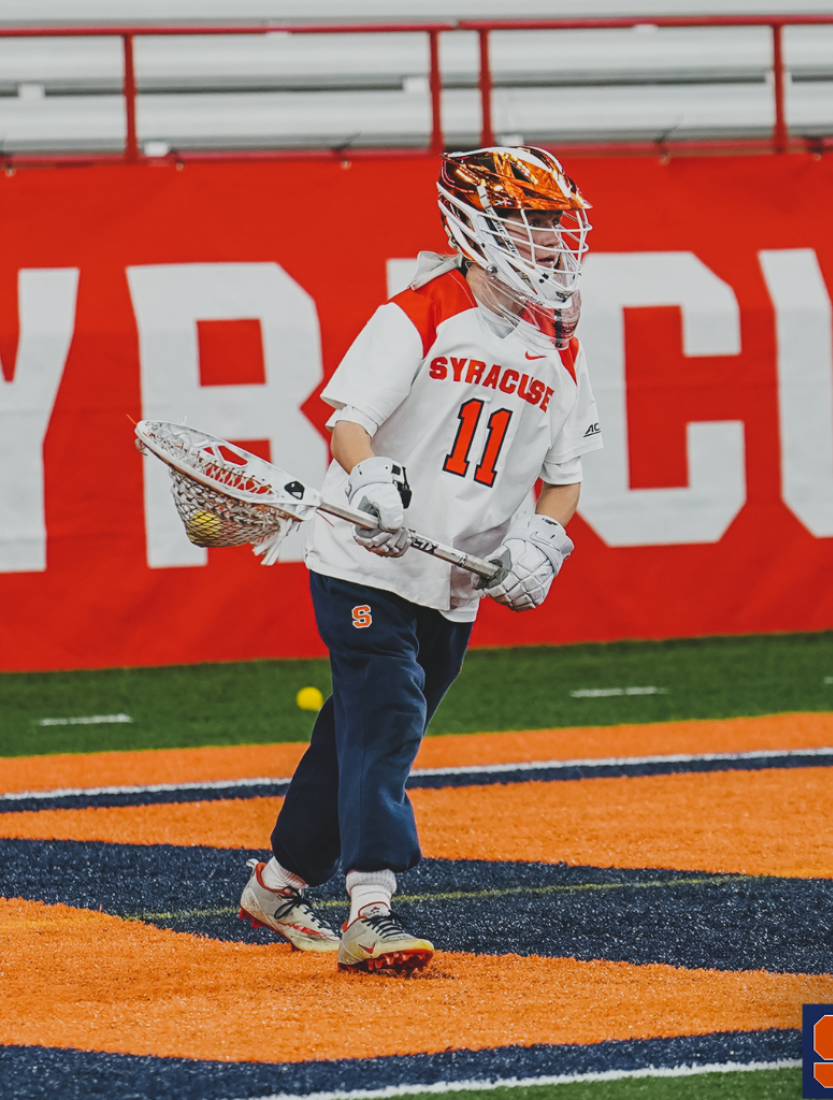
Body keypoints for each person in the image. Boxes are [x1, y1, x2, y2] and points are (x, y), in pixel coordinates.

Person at [238, 146, 603, 973]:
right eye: (533, 223)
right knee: (391, 714)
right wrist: (370, 482)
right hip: (362, 559)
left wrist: (539, 547)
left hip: (452, 579)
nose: (552, 242)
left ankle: (275, 882)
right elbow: (349, 422)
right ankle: (374, 904)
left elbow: (564, 479)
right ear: (480, 227)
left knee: (356, 733)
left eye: (555, 224)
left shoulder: (562, 346)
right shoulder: (419, 311)